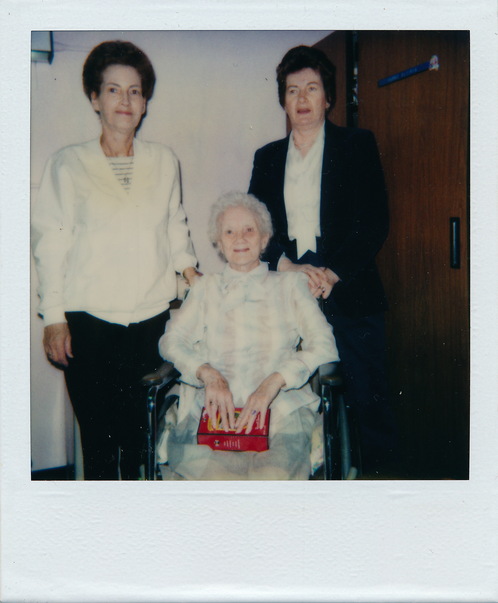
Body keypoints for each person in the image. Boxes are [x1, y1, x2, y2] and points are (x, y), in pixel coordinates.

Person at [31, 40, 200, 480]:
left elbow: (174, 225)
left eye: (135, 91)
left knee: (142, 442)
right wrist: (53, 318)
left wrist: (190, 272)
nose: (125, 100)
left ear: (144, 103)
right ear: (94, 98)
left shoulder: (164, 161)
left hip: (150, 322)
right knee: (101, 449)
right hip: (88, 325)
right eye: (113, 90)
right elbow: (50, 245)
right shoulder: (67, 164)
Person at [248, 45, 396, 474]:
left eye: (312, 88)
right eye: (292, 90)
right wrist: (288, 267)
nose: (302, 99)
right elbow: (255, 225)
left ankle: (379, 489)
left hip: (349, 286)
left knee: (367, 400)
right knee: (296, 400)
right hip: (288, 287)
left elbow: (373, 222)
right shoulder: (267, 157)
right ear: (283, 99)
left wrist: (331, 273)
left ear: (328, 97)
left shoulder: (357, 144)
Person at [158, 192, 339, 480]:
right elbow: (171, 341)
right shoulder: (205, 288)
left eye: (249, 230)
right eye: (229, 232)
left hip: (280, 409)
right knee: (219, 485)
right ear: (219, 242)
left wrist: (275, 381)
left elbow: (324, 344)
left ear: (264, 239)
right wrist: (207, 374)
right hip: (213, 411)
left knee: (271, 482)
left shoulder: (291, 285)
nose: (239, 238)